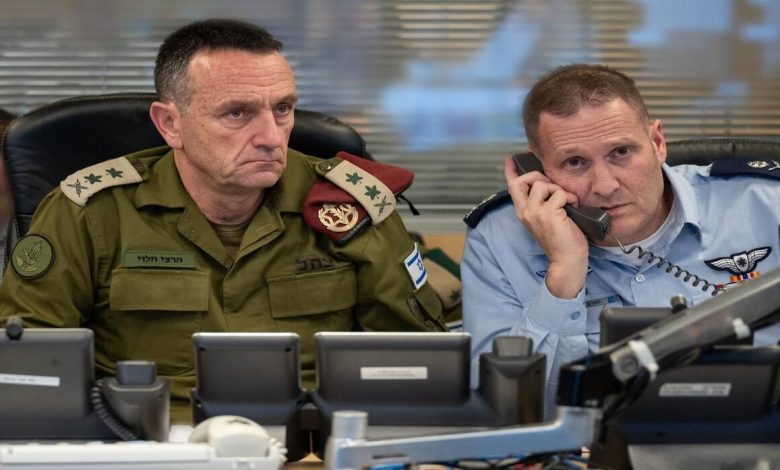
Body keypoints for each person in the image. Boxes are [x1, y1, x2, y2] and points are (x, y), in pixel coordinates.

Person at [0, 19, 446, 423]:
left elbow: (415, 366)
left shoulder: (353, 207)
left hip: (310, 444)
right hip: (148, 441)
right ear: (170, 124)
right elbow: (27, 369)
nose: (271, 137)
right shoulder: (89, 212)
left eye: (283, 109)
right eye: (237, 113)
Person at [461, 63, 780, 418]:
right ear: (537, 170)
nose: (605, 185)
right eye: (575, 162)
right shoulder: (498, 241)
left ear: (657, 143)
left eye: (621, 153)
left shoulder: (766, 204)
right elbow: (506, 411)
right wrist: (565, 272)